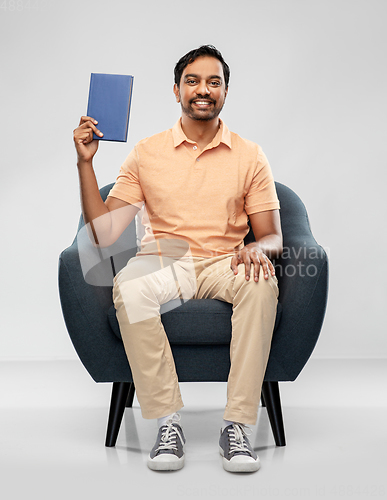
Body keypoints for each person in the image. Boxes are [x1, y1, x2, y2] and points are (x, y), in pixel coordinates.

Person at [73, 45, 283, 473]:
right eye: (192, 81)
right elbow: (104, 234)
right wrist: (86, 164)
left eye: (213, 82)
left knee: (262, 282)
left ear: (225, 92)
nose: (203, 90)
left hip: (228, 261)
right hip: (166, 259)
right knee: (129, 288)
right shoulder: (147, 153)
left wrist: (255, 249)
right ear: (176, 90)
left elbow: (273, 237)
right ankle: (168, 422)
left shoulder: (250, 154)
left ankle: (238, 426)